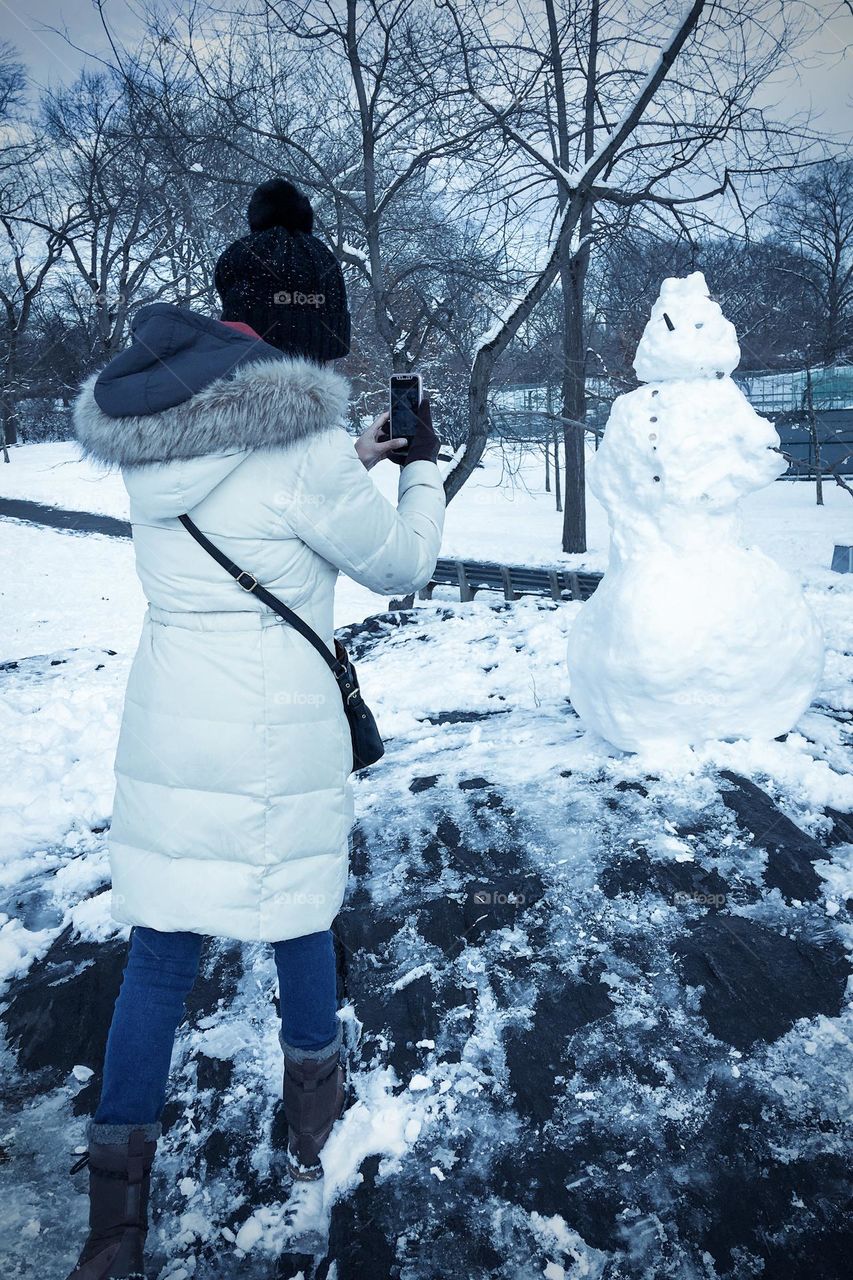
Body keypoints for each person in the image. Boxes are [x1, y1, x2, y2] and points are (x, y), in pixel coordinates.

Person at [65, 177, 445, 1279]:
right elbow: (404, 564)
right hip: (278, 734)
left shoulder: (157, 428)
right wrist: (414, 471)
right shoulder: (307, 449)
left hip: (174, 728)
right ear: (307, 331)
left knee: (158, 959)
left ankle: (111, 1228)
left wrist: (351, 461)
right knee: (298, 921)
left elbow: (250, 504)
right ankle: (317, 1133)